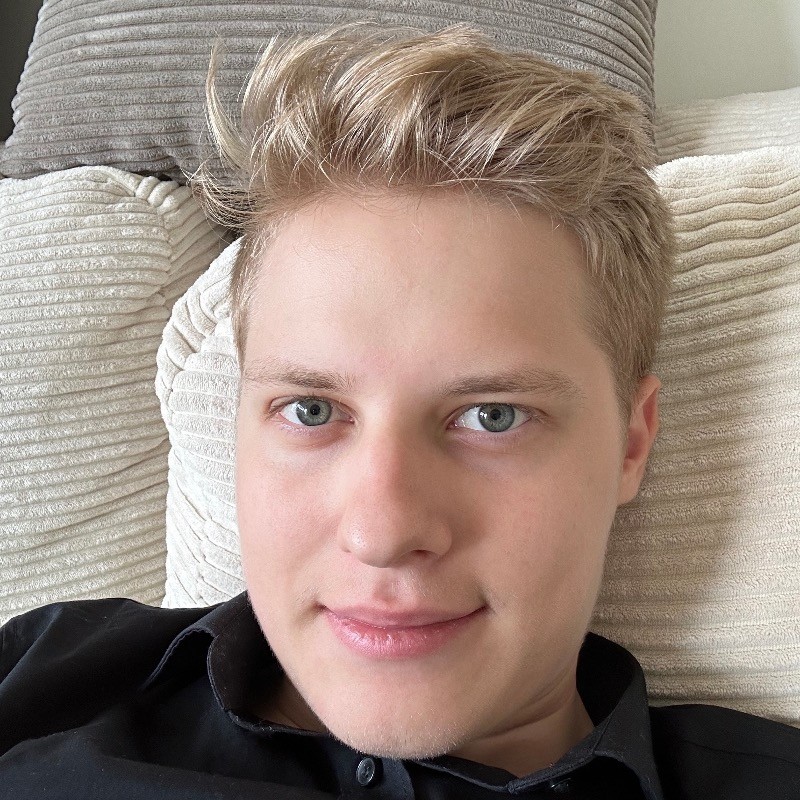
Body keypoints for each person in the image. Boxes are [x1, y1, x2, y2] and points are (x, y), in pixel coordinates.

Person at [1, 22, 798, 800]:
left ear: (630, 443)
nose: (381, 535)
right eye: (311, 409)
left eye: (492, 416)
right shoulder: (46, 668)